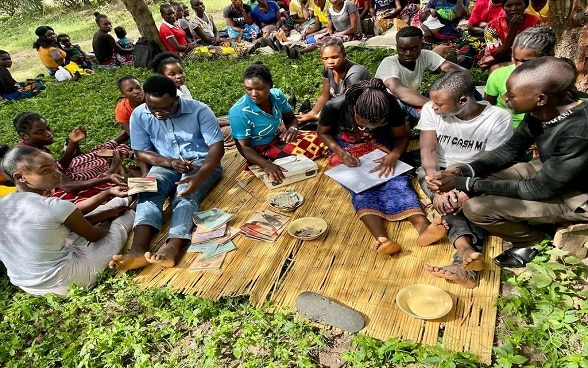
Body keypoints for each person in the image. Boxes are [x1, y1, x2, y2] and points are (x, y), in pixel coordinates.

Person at [426, 57, 588, 268]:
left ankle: (533, 241)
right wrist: (464, 170)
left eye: (512, 95)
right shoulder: (548, 106)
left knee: (477, 209)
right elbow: (511, 149)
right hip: (552, 173)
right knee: (479, 180)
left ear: (540, 99)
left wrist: (465, 185)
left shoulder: (579, 130)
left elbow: (539, 189)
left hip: (577, 195)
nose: (504, 97)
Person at [317, 78, 449, 255]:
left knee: (397, 180)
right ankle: (382, 239)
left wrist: (394, 154)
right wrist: (341, 153)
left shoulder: (390, 105)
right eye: (361, 121)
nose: (366, 127)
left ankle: (424, 228)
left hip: (379, 144)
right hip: (345, 147)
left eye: (375, 124)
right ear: (354, 108)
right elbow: (322, 132)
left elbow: (402, 137)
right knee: (360, 187)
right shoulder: (335, 106)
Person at [109, 75, 224, 271]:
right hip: (165, 162)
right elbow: (140, 151)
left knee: (185, 193)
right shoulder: (139, 114)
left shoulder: (199, 110)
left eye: (165, 108)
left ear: (176, 98)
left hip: (201, 163)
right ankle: (138, 250)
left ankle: (173, 246)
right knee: (148, 191)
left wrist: (199, 176)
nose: (159, 113)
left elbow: (217, 148)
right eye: (153, 108)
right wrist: (169, 162)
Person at [416, 71, 512, 288]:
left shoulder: (497, 118)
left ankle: (462, 253)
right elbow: (428, 149)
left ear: (462, 100)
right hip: (438, 171)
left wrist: (464, 191)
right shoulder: (432, 111)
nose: (433, 107)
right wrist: (437, 186)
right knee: (444, 198)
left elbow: (491, 163)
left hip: (474, 174)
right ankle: (465, 253)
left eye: (439, 103)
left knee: (467, 206)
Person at [0, 145, 134, 296]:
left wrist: (108, 197)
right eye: (45, 171)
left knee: (100, 215)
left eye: (54, 167)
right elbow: (96, 235)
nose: (56, 174)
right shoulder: (53, 206)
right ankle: (135, 203)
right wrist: (110, 217)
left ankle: (127, 196)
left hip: (28, 284)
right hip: (66, 281)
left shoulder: (5, 203)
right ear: (19, 177)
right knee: (120, 224)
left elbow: (70, 217)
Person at [229, 61, 326, 184]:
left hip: (279, 137)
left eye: (259, 88)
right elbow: (243, 147)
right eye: (248, 89)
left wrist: (292, 129)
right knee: (318, 145)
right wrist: (265, 165)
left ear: (270, 85)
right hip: (260, 152)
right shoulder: (239, 112)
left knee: (322, 137)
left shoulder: (277, 96)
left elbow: (291, 119)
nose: (253, 94)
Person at [14, 112, 131, 202]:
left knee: (93, 154)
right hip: (56, 189)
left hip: (63, 175)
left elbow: (60, 166)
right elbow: (67, 186)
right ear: (25, 136)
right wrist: (109, 174)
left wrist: (72, 143)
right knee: (103, 164)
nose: (48, 133)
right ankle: (124, 146)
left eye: (48, 128)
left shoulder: (36, 146)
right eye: (40, 132)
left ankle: (120, 140)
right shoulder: (30, 156)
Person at [375, 26, 465, 121]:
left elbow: (452, 68)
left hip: (412, 96)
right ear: (397, 47)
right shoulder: (389, 63)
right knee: (437, 116)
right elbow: (400, 92)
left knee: (458, 85)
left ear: (421, 46)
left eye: (413, 49)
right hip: (393, 102)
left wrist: (462, 81)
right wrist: (434, 104)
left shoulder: (425, 55)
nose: (408, 53)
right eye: (402, 49)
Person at [484, 26, 555, 129]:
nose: (519, 65)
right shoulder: (498, 75)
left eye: (527, 61)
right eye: (515, 59)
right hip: (505, 131)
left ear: (547, 57)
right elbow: (487, 106)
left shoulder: (555, 79)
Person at [297, 38, 370, 124]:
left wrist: (317, 117)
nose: (330, 62)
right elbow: (325, 96)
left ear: (344, 55)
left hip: (359, 112)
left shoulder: (355, 74)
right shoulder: (328, 69)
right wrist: (311, 113)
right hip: (338, 107)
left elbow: (346, 104)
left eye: (334, 57)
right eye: (325, 58)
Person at [478, 0, 540, 70]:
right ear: (503, 7)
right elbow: (497, 55)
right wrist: (513, 31)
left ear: (526, 6)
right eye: (509, 5)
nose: (514, 9)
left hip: (527, 61)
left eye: (518, 4)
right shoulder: (491, 27)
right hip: (502, 62)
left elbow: (536, 49)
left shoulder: (534, 21)